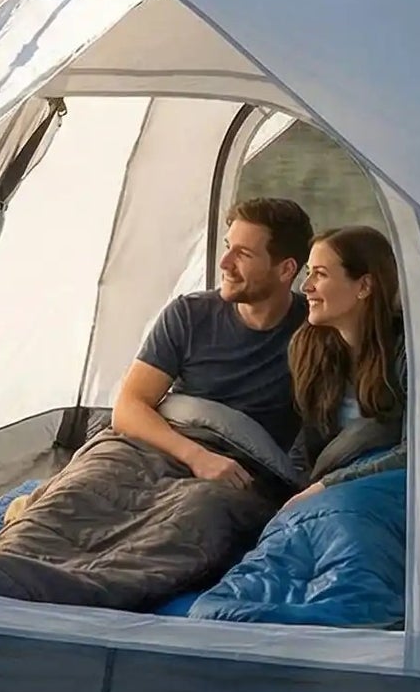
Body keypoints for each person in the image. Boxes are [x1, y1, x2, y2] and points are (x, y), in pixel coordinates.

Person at [109, 196, 312, 490]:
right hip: (161, 445)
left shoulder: (314, 330)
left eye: (243, 254)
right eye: (228, 246)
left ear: (286, 270)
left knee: (191, 514)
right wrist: (196, 457)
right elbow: (128, 407)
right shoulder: (189, 315)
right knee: (76, 493)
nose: (225, 263)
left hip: (235, 469)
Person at [284, 223, 406, 504]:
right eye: (308, 272)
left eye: (320, 274)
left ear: (364, 286)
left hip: (382, 494)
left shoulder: (408, 354)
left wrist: (327, 485)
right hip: (325, 495)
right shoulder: (309, 348)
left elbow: (418, 451)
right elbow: (308, 444)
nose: (305, 286)